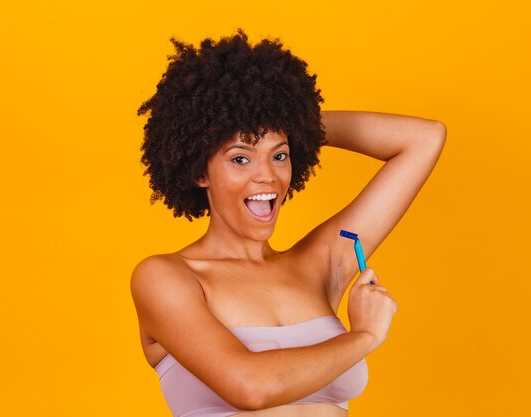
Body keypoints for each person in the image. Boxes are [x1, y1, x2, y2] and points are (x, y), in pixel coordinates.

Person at [131, 28, 446, 417]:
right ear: (200, 171)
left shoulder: (319, 265)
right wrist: (364, 336)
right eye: (240, 158)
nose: (267, 176)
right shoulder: (166, 277)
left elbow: (424, 139)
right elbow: (250, 388)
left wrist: (288, 123)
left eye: (279, 156)